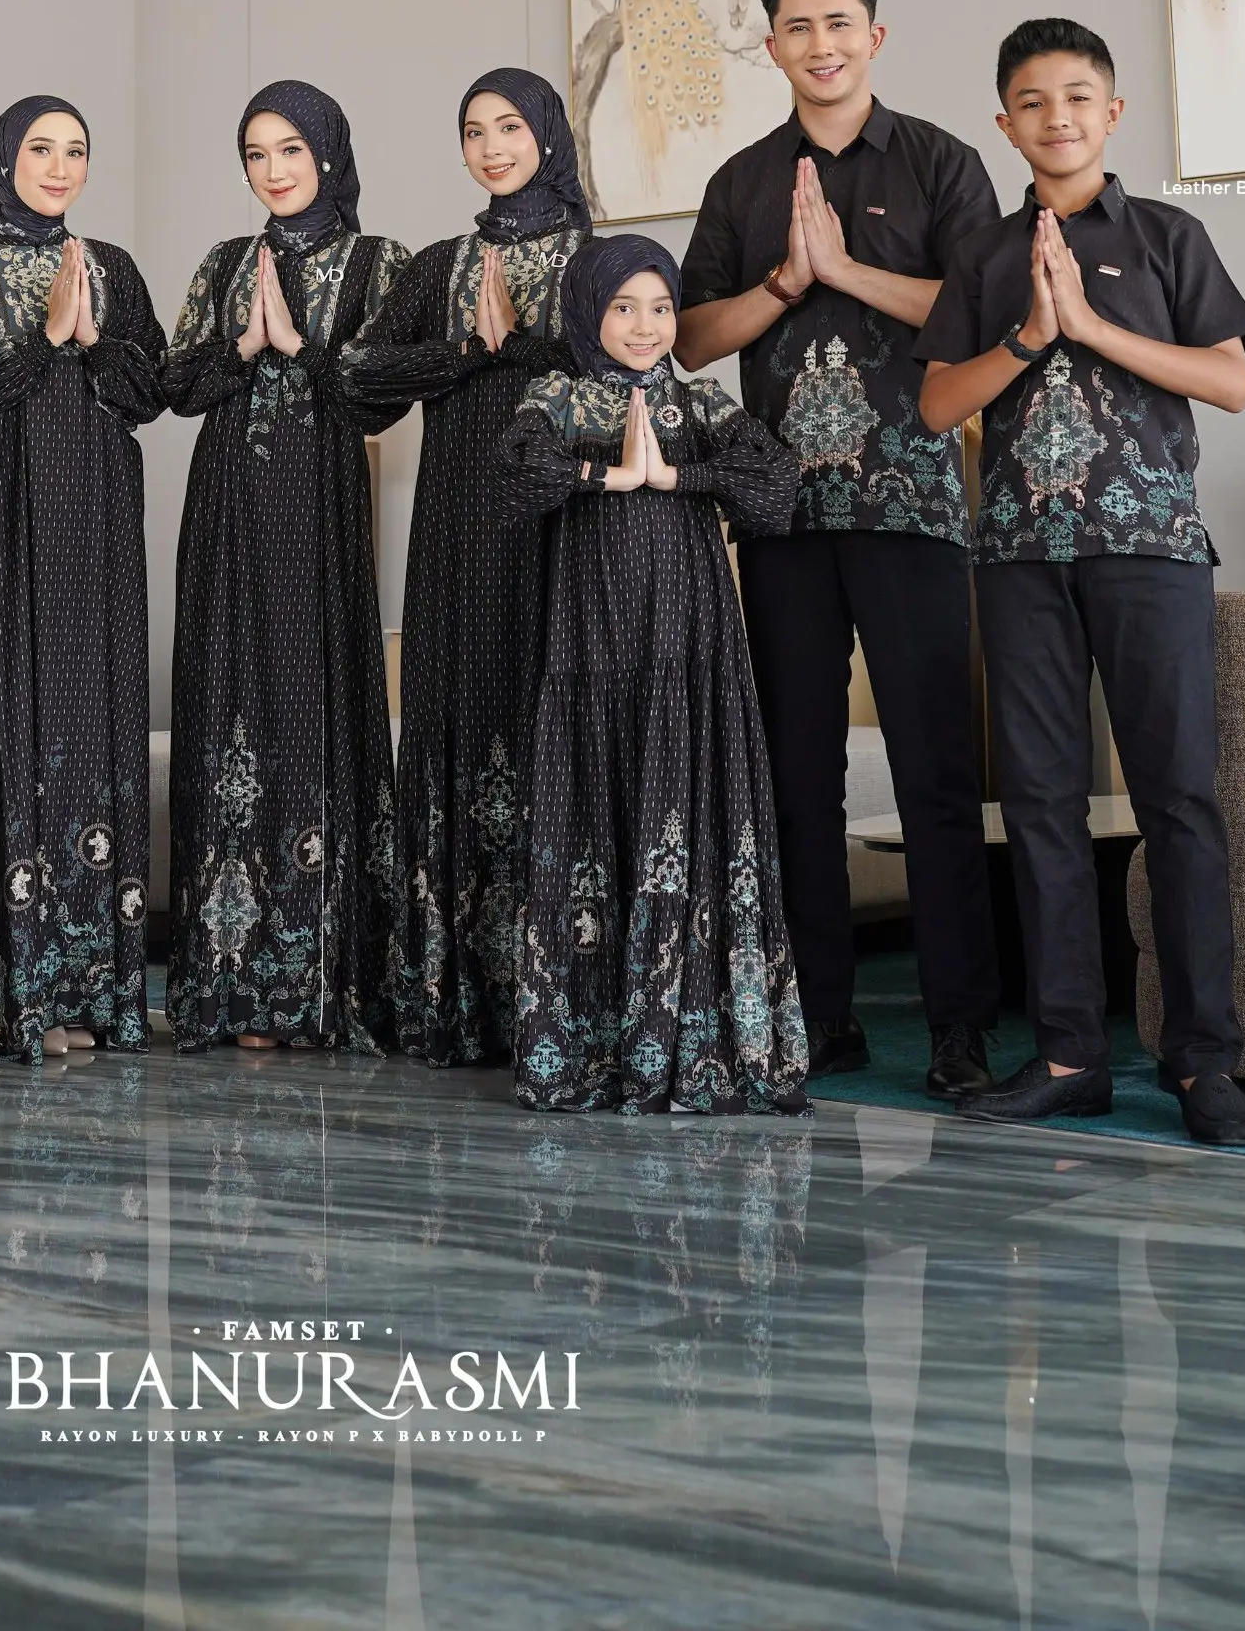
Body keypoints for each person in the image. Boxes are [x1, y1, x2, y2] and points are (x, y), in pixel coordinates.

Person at [914, 19, 1245, 1146]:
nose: (1055, 116)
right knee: (1039, 805)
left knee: (1179, 801)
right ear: (1004, 124)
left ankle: (1202, 1062)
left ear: (1111, 113)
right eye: (1031, 100)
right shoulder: (981, 255)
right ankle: (1068, 1054)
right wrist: (1028, 336)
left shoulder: (1166, 234)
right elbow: (934, 406)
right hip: (1018, 561)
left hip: (1151, 552)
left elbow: (1228, 383)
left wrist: (1093, 328)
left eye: (1076, 96)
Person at [676, 0, 1000, 1098]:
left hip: (909, 508)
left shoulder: (940, 162)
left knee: (935, 776)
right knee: (794, 778)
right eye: (797, 27)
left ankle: (960, 1029)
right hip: (779, 517)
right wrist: (779, 281)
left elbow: (979, 313)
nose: (820, 44)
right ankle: (817, 1017)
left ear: (874, 34)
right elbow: (686, 337)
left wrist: (845, 269)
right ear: (770, 46)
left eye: (838, 23)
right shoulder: (739, 183)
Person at [502, 232, 807, 1113]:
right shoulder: (558, 395)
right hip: (593, 645)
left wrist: (674, 478)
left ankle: (688, 1035)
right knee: (599, 799)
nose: (645, 326)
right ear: (587, 312)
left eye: (662, 307)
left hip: (688, 640)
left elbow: (778, 482)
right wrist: (607, 475)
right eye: (623, 307)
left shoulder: (700, 401)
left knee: (682, 797)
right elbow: (515, 475)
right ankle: (597, 1041)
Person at [341, 69, 588, 1064]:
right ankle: (461, 996)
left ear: (547, 136)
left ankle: (561, 994)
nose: (491, 147)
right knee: (465, 708)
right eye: (474, 131)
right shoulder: (440, 264)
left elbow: (624, 366)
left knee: (545, 711)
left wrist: (519, 344)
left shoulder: (594, 258)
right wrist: (466, 354)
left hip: (560, 523)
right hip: (456, 527)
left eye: (510, 127)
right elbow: (357, 375)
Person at [0, 98, 165, 1063]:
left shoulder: (115, 269)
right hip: (1, 523)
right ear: (4, 159)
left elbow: (152, 392)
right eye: (40, 149)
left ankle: (89, 988)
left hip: (97, 528)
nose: (59, 167)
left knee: (92, 728)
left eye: (76, 152)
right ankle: (5, 993)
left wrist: (93, 342)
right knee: (0, 719)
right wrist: (39, 339)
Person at [164, 80, 409, 1054]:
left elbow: (383, 391)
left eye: (290, 151)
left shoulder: (377, 262)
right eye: (255, 155)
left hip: (318, 511)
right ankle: (235, 989)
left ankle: (319, 982)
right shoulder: (225, 262)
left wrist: (298, 347)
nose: (272, 171)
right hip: (226, 511)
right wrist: (243, 345)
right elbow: (174, 383)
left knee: (313, 711)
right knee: (228, 703)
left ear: (329, 155)